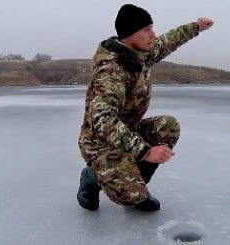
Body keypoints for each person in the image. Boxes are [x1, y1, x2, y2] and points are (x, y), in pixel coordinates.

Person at [77, 4, 214, 212]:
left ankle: (136, 179)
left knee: (168, 126)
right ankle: (92, 177)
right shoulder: (111, 70)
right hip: (100, 143)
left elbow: (168, 41)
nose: (153, 34)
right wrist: (145, 151)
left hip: (126, 132)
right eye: (147, 29)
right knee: (132, 194)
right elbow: (102, 119)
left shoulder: (140, 53)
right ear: (131, 34)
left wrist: (196, 27)